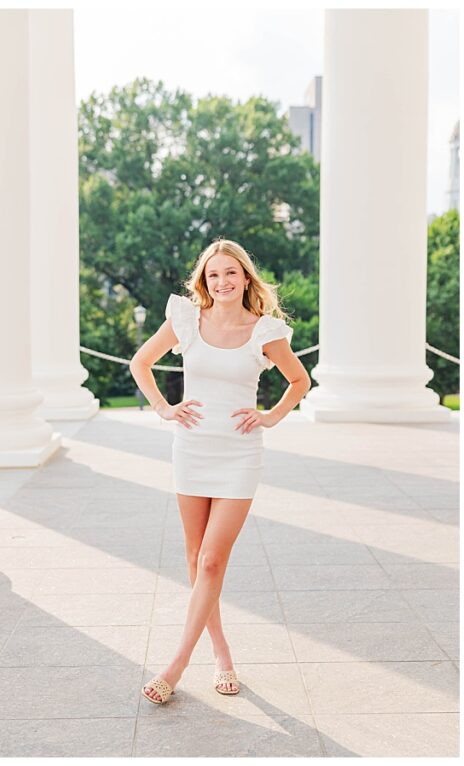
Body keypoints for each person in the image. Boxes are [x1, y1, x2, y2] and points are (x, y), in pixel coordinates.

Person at [129, 238, 311, 705]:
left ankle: (176, 665)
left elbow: (299, 380)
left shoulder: (264, 331)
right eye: (214, 275)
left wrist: (270, 416)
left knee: (211, 560)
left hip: (239, 456)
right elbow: (141, 363)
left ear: (245, 278)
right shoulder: (186, 320)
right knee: (195, 561)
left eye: (231, 273)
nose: (223, 281)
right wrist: (164, 409)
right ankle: (222, 653)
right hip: (191, 449)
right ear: (204, 281)